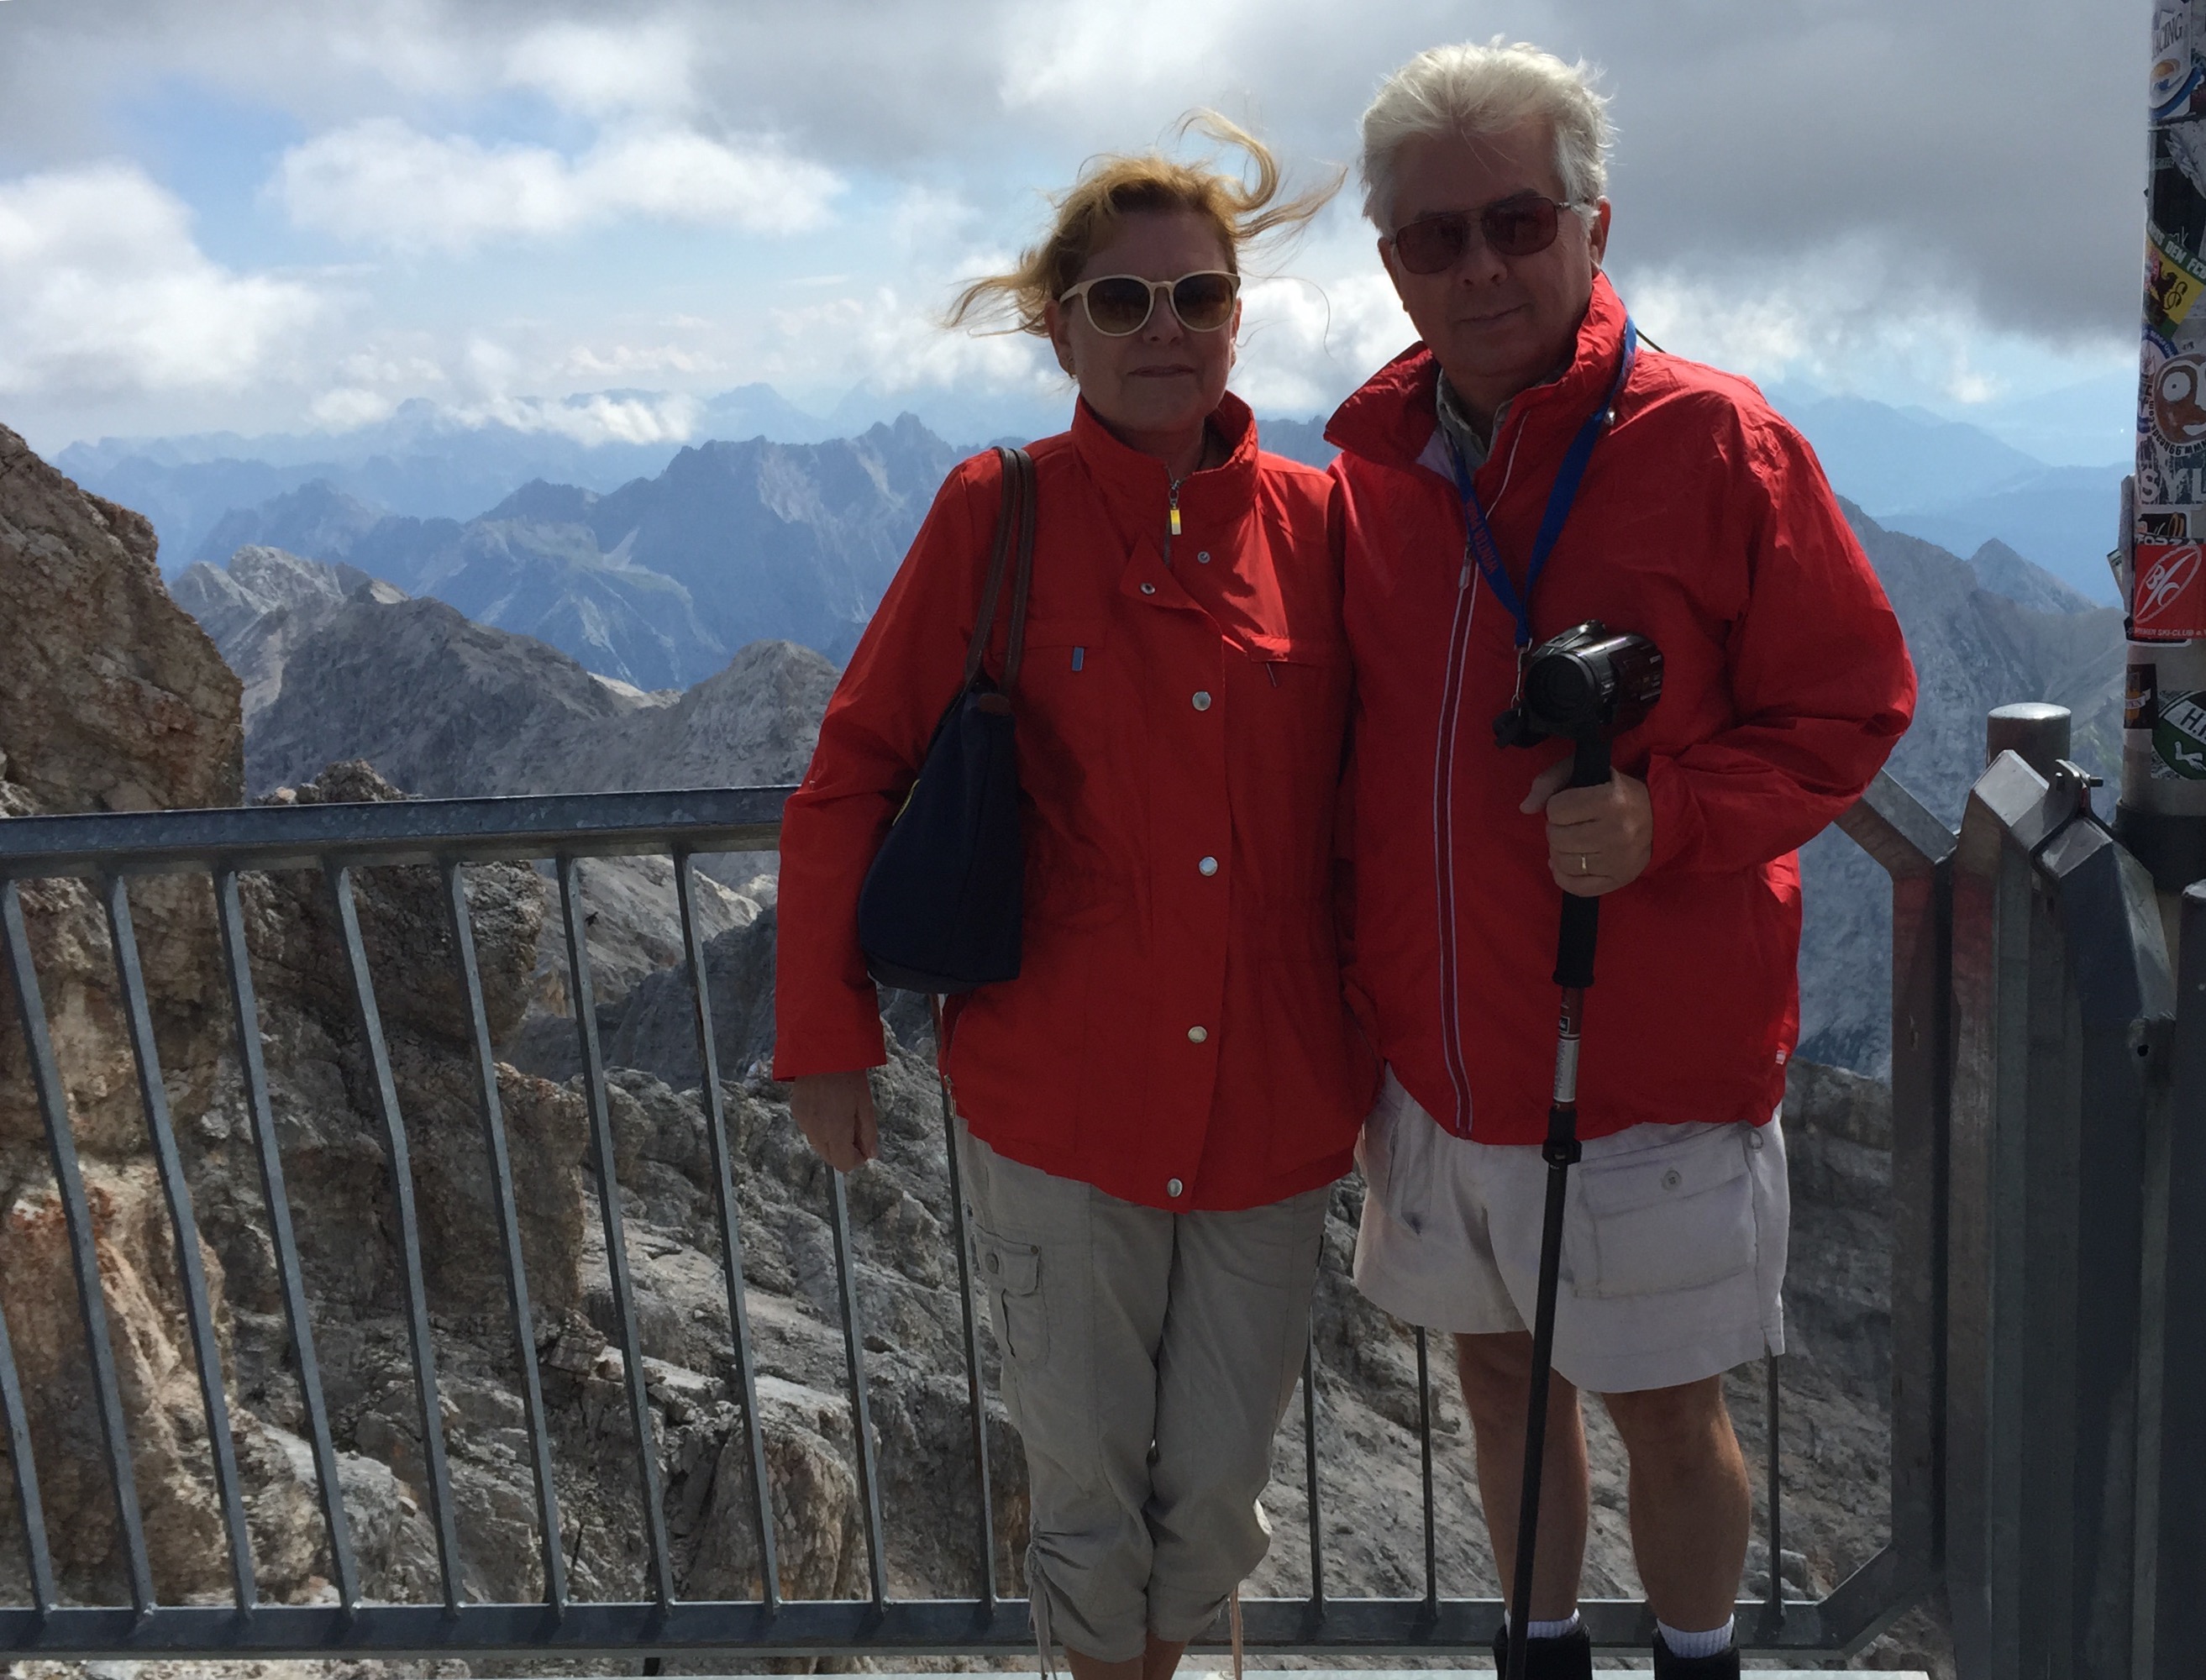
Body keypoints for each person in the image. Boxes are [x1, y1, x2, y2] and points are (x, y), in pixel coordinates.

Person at [1326, 41, 1917, 1680]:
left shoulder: (1717, 443)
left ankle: (1694, 1658)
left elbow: (1851, 705)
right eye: (1433, 237)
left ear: (1592, 222)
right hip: (1442, 1062)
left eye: (1513, 220)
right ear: (1388, 261)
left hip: (1644, 1052)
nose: (1477, 265)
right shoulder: (1369, 471)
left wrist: (1668, 819)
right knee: (1499, 1385)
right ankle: (1537, 1654)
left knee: (1665, 1405)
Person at [772, 118, 1373, 1680]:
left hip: (1273, 1102)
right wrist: (824, 1036)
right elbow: (851, 771)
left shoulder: (1322, 529)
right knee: (1093, 1507)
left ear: (1240, 317)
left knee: (1216, 1504)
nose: (1162, 330)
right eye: (1120, 302)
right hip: (1063, 1095)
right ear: (1058, 330)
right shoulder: (998, 512)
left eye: (1196, 297)